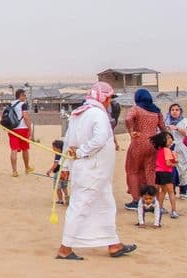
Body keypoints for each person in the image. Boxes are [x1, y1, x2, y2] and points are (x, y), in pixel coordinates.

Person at [56, 81, 136, 260]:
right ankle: (65, 248)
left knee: (106, 205)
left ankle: (113, 244)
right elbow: (100, 139)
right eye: (108, 98)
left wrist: (67, 164)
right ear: (103, 98)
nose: (109, 102)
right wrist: (81, 153)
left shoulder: (79, 114)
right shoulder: (96, 114)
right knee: (80, 206)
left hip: (95, 173)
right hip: (92, 171)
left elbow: (68, 141)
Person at [124, 89, 166, 210]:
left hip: (138, 142)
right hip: (153, 144)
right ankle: (151, 200)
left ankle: (137, 200)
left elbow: (128, 119)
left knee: (133, 170)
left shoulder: (136, 109)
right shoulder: (156, 111)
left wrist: (132, 131)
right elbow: (163, 128)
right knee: (150, 172)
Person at [150, 131, 178, 218]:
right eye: (168, 138)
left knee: (163, 191)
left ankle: (160, 208)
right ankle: (173, 211)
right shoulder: (167, 150)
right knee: (171, 192)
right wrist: (176, 163)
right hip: (166, 173)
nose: (170, 140)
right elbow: (168, 163)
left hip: (159, 172)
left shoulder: (160, 150)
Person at [8, 89, 33, 177]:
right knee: (25, 149)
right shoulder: (23, 104)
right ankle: (27, 168)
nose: (25, 97)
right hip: (22, 129)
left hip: (12, 129)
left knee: (14, 149)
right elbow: (25, 117)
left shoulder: (11, 104)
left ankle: (14, 171)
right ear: (21, 95)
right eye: (24, 95)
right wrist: (30, 128)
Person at [165, 103, 187, 198]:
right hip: (169, 147)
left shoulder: (184, 121)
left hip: (181, 147)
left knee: (182, 169)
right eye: (172, 110)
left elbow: (186, 133)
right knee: (170, 170)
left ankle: (183, 191)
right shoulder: (166, 121)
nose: (174, 111)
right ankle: (171, 191)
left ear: (180, 111)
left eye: (177, 110)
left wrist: (177, 128)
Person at [46, 139, 69, 205]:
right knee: (64, 186)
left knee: (57, 187)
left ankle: (60, 200)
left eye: (53, 147)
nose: (53, 149)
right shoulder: (65, 153)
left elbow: (56, 164)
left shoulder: (58, 154)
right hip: (66, 172)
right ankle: (67, 198)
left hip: (59, 172)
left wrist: (50, 171)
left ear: (57, 148)